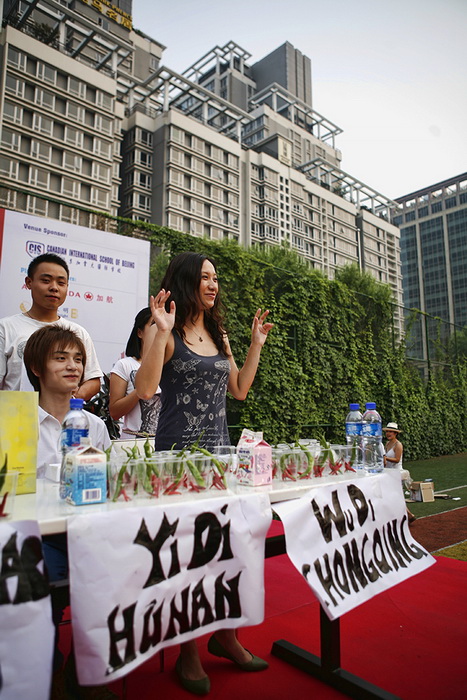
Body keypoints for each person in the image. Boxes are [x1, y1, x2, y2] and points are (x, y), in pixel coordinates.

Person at [135, 251, 273, 696]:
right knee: (188, 555)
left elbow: (240, 390)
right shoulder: (168, 328)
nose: (213, 285)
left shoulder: (217, 332)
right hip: (177, 461)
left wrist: (253, 344)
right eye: (206, 277)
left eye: (216, 278)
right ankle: (187, 650)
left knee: (228, 550)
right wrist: (159, 330)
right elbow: (144, 387)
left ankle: (226, 635)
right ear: (187, 280)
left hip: (220, 460)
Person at [23, 325, 114, 699]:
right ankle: (50, 672)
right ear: (37, 368)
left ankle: (84, 670)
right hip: (36, 536)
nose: (73, 367)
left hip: (88, 532)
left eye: (78, 359)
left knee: (116, 573)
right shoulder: (15, 422)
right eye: (60, 358)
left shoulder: (94, 426)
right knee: (42, 586)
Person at [0, 253, 102, 400]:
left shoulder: (78, 332)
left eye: (61, 283)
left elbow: (92, 380)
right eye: (46, 280)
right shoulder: (6, 328)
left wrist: (69, 401)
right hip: (17, 418)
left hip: (63, 419)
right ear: (29, 282)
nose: (54, 288)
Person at [109, 307, 161, 437]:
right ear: (140, 332)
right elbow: (115, 412)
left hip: (166, 446)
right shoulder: (125, 365)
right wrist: (142, 388)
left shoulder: (172, 366)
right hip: (133, 446)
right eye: (154, 324)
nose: (159, 329)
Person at [382, 421, 416, 524]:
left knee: (394, 495)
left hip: (396, 472)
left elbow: (397, 459)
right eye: (387, 431)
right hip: (389, 472)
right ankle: (408, 515)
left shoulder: (398, 445)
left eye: (391, 432)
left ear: (395, 433)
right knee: (394, 495)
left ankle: (408, 515)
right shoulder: (387, 444)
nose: (388, 434)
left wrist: (385, 458)